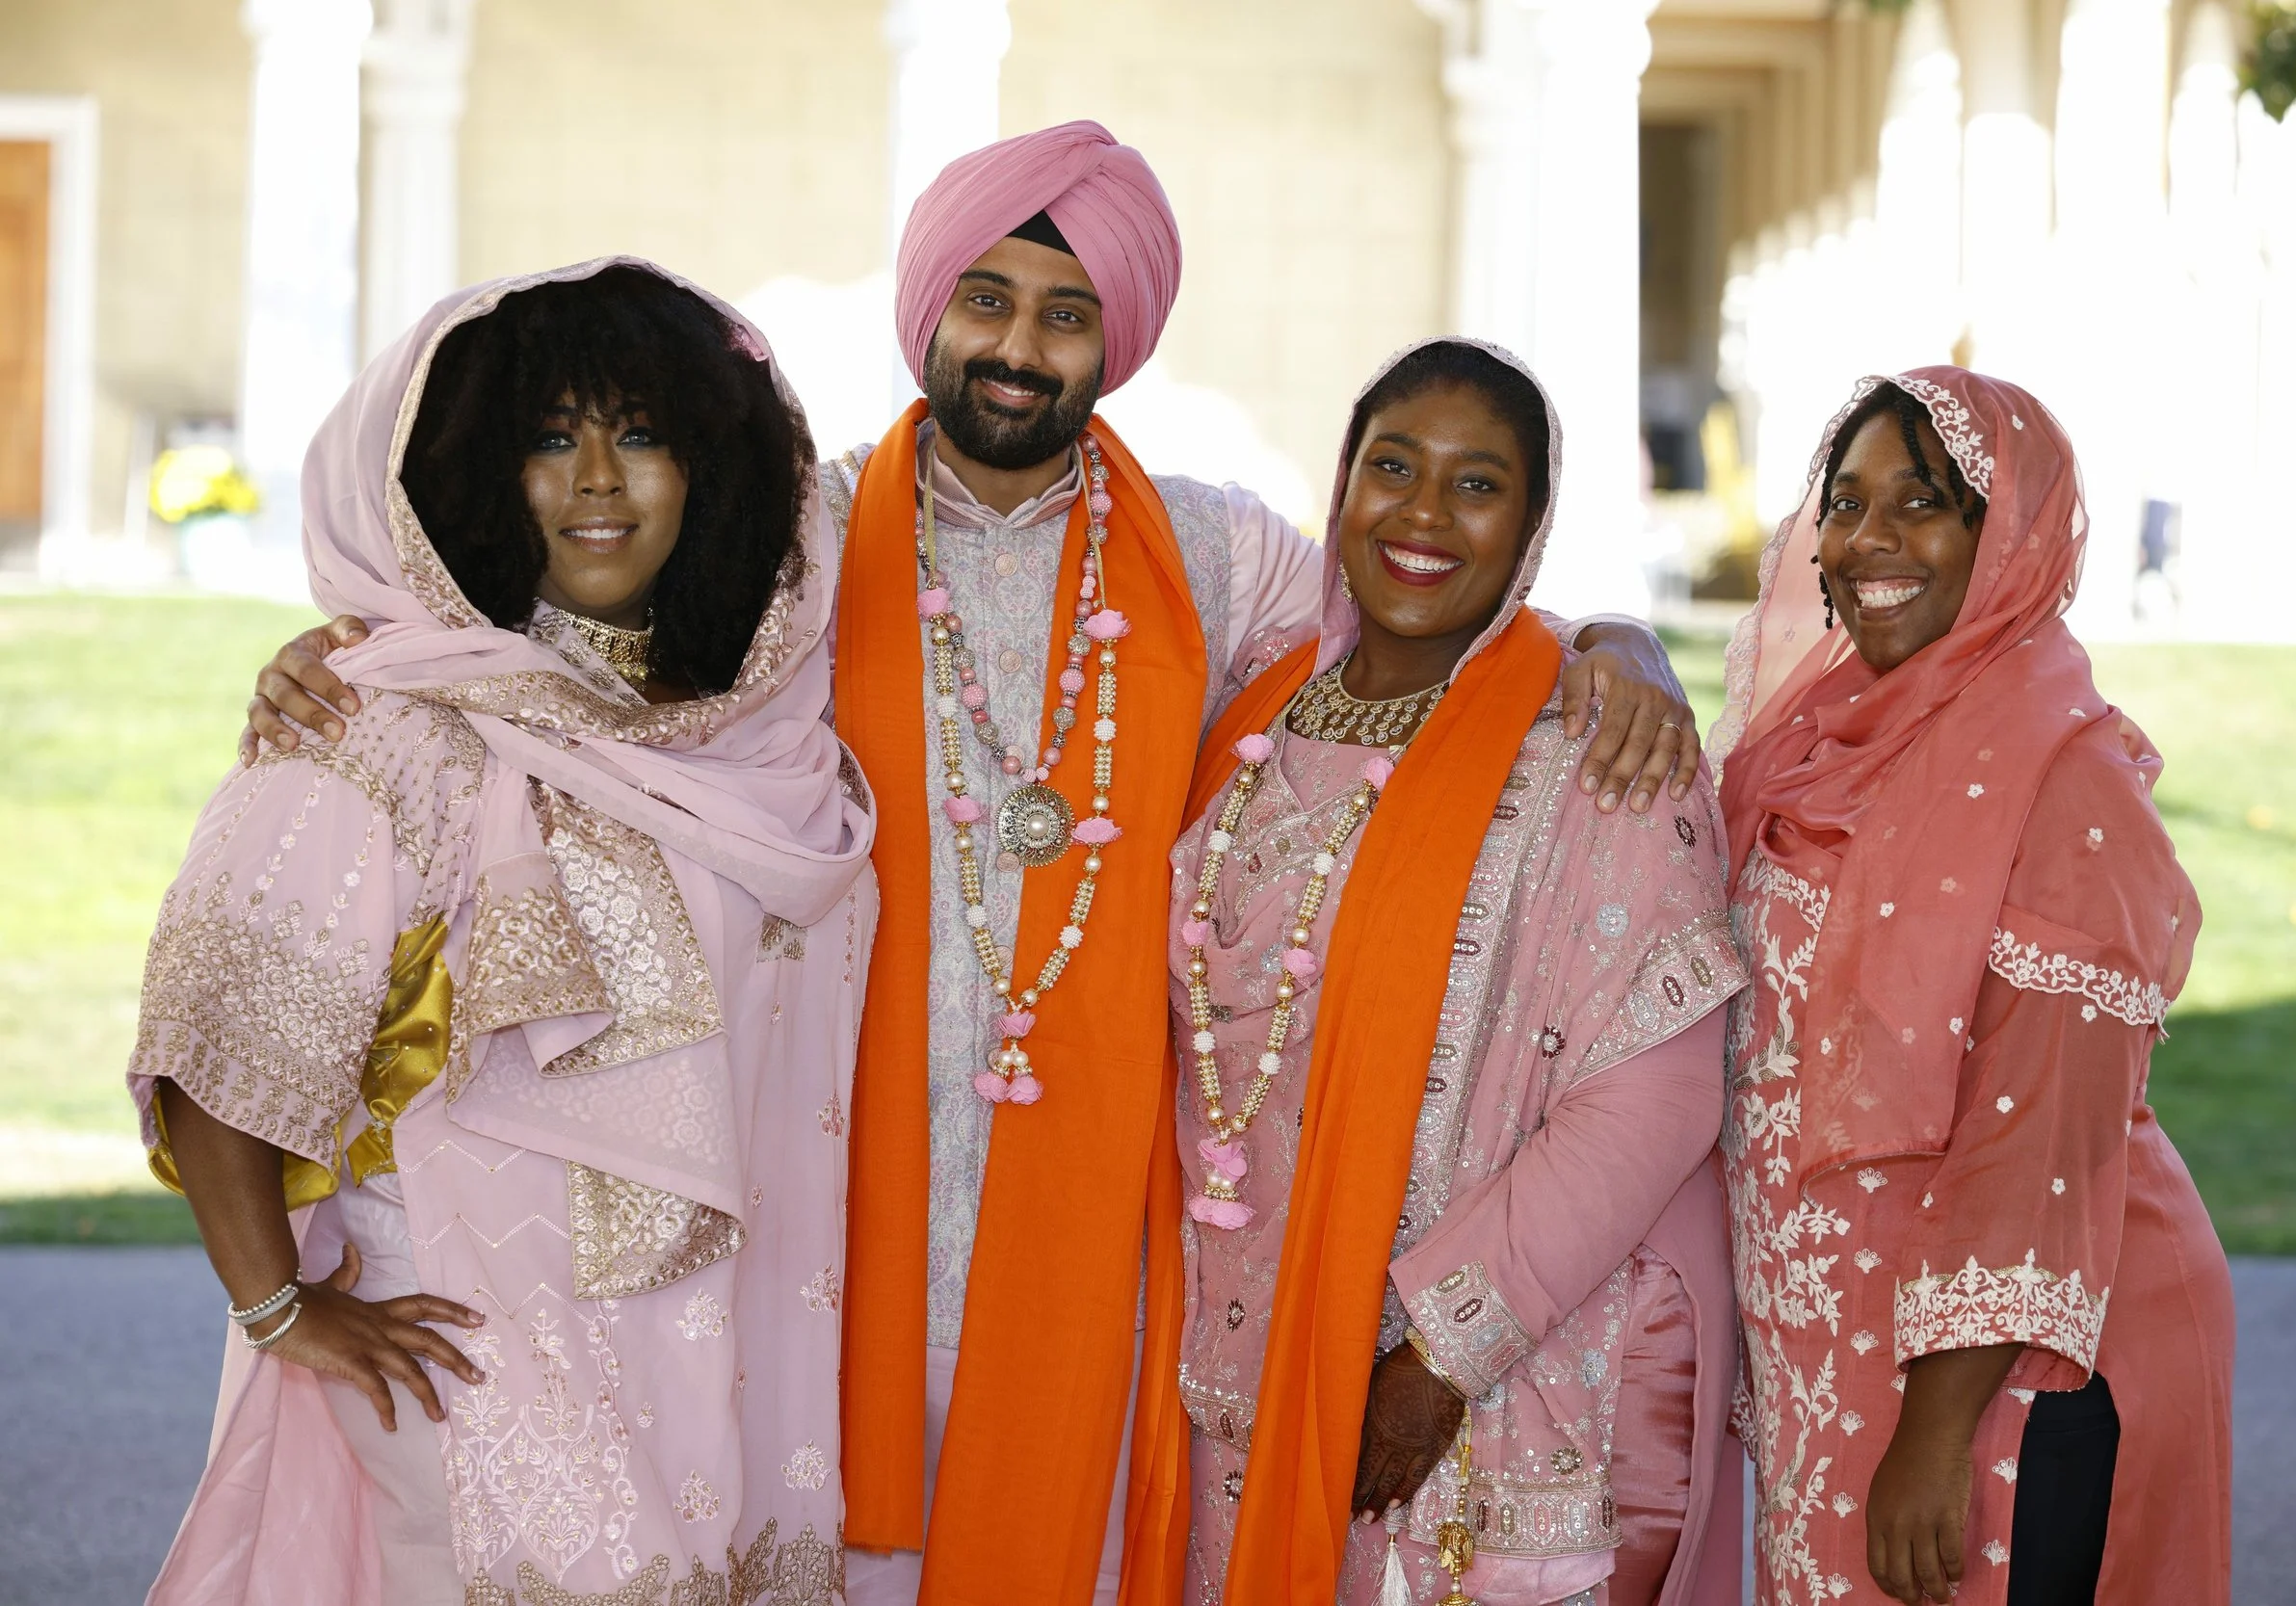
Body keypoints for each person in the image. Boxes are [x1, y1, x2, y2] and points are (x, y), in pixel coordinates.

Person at [234, 123, 1708, 1606]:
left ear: (1112, 342)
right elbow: (571, 628)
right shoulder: (791, 539)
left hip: (1105, 1223)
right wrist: (354, 652)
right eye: (987, 300)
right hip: (832, 1175)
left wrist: (1608, 638)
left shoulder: (1214, 553)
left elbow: (1415, 594)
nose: (1019, 346)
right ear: (929, 306)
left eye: (1066, 316)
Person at [134, 260, 873, 1603]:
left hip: (722, 1348)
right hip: (481, 1343)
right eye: (549, 438)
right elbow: (213, 1031)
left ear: (705, 464)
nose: (599, 477)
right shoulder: (391, 727)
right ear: (479, 471)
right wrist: (278, 1305)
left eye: (641, 434)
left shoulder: (764, 726)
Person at [1116, 339, 1748, 1606]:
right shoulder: (1244, 717)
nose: (1422, 512)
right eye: (1393, 466)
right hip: (1233, 1349)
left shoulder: (1594, 751)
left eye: (1476, 484)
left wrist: (1438, 1354)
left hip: (1476, 1378)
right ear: (1341, 484)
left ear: (1531, 523)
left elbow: (1656, 1099)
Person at [1711, 370, 2233, 1606]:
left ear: (2010, 537)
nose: (1869, 539)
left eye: (1924, 501)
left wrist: (1933, 1436)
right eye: (1845, 502)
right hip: (1828, 1344)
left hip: (2007, 1366)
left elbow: (2037, 1136)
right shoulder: (1806, 742)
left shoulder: (2065, 782)